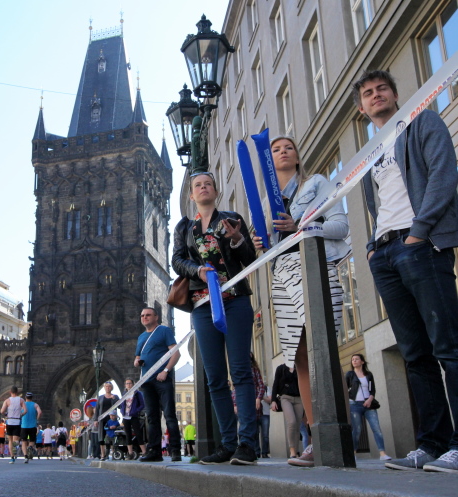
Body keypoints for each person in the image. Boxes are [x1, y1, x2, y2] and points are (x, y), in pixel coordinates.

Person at [355, 69, 458, 473]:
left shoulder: (422, 121)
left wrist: (419, 232)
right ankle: (431, 445)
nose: (376, 95)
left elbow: (443, 176)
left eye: (382, 88)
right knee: (415, 355)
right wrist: (372, 248)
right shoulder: (370, 152)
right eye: (368, 93)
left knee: (448, 347)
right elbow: (377, 205)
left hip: (420, 245)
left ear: (396, 95)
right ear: (362, 108)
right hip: (385, 254)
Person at [252, 135, 349, 467]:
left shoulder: (316, 183)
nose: (282, 152)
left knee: (324, 351)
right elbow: (266, 247)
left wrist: (302, 226)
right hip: (282, 276)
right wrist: (257, 243)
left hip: (315, 266)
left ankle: (337, 435)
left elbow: (340, 225)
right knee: (301, 358)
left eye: (288, 148)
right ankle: (316, 440)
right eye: (276, 149)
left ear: (297, 157)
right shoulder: (265, 203)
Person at [173, 171, 258, 466]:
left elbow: (250, 259)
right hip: (202, 305)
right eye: (198, 185)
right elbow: (177, 260)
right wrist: (197, 270)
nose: (203, 187)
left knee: (241, 371)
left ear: (216, 191)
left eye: (208, 184)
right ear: (191, 195)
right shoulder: (185, 227)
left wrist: (237, 240)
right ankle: (227, 445)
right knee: (215, 378)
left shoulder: (232, 219)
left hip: (235, 300)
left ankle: (247, 445)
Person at [134, 308, 181, 463]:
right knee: (152, 417)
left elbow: (176, 353)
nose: (144, 317)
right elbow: (137, 358)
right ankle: (154, 451)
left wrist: (165, 371)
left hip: (162, 379)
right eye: (142, 315)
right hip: (147, 381)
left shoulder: (164, 331)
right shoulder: (141, 337)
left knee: (169, 415)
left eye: (148, 315)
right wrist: (137, 362)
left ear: (156, 317)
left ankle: (175, 450)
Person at [346, 353, 391, 461]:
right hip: (354, 405)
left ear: (362, 361)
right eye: (352, 359)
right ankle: (353, 453)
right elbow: (344, 389)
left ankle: (382, 454)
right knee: (357, 430)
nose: (354, 361)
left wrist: (369, 400)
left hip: (369, 405)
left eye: (356, 359)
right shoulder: (350, 374)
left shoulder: (368, 375)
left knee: (376, 428)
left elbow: (372, 390)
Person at [271, 363, 304, 458]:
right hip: (285, 398)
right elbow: (275, 384)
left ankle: (296, 451)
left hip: (299, 399)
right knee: (291, 422)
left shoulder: (299, 367)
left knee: (297, 425)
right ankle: (292, 450)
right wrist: (273, 400)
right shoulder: (281, 368)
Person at [121, 378, 146, 459]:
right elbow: (122, 404)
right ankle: (130, 453)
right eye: (127, 383)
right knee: (128, 434)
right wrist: (122, 411)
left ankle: (144, 451)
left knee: (138, 433)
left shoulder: (137, 393)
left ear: (133, 384)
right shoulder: (124, 393)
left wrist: (136, 410)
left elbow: (142, 404)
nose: (128, 385)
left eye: (130, 383)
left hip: (134, 416)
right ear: (125, 385)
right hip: (125, 416)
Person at [0, 386, 26, 464]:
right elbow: (25, 410)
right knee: (15, 440)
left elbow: (2, 411)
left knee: (10, 441)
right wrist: (21, 414)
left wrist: (6, 414)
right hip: (17, 421)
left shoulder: (7, 400)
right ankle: (15, 447)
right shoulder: (21, 400)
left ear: (10, 392)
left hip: (10, 421)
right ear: (17, 392)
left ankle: (12, 457)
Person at [20, 392, 41, 463]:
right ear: (32, 398)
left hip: (24, 426)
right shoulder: (35, 405)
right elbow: (40, 412)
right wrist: (37, 419)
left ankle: (25, 456)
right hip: (33, 426)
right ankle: (30, 447)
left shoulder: (22, 405)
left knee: (24, 441)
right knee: (32, 441)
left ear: (25, 397)